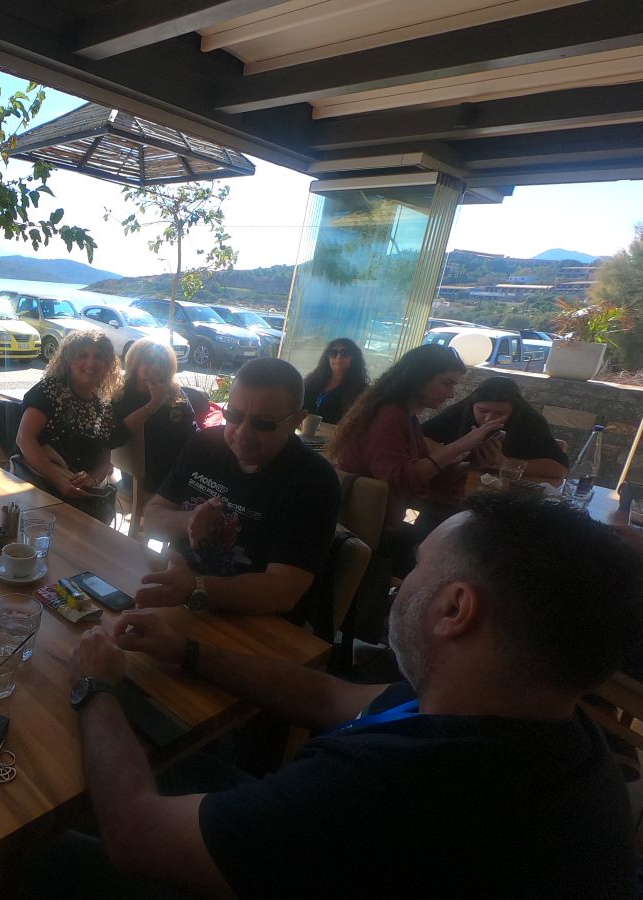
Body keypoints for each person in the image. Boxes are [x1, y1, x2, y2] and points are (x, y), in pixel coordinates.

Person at [45, 493, 643, 898]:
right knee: (179, 757)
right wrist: (188, 652)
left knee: (32, 851)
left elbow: (134, 833)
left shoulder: (387, 790)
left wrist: (96, 685)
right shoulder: (550, 730)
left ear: (456, 608)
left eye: (418, 568)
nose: (403, 582)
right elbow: (332, 697)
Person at [138, 358, 340, 615]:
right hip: (180, 599)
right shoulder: (204, 445)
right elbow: (153, 518)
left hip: (256, 622)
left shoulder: (313, 481)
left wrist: (196, 587)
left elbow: (283, 592)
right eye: (233, 415)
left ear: (296, 421)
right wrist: (189, 520)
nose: (242, 433)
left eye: (263, 423)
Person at [331, 345, 506, 568]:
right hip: (380, 526)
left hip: (393, 515)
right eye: (447, 383)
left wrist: (470, 465)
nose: (451, 394)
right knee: (474, 535)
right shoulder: (388, 415)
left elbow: (423, 475)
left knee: (472, 524)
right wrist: (460, 445)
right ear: (419, 377)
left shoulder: (406, 416)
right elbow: (401, 479)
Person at [15, 330, 126, 523]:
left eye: (98, 357)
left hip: (78, 494)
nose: (91, 363)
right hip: (36, 485)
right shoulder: (51, 390)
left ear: (107, 364)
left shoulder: (104, 408)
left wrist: (93, 479)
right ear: (68, 360)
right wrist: (58, 482)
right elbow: (24, 439)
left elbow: (104, 456)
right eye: (82, 355)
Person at [422, 375, 569, 480]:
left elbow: (560, 470)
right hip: (455, 484)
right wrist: (449, 452)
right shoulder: (459, 412)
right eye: (483, 411)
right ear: (473, 406)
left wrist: (505, 463)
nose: (489, 419)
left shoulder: (530, 422)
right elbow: (418, 436)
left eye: (500, 413)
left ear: (513, 411)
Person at [111, 339, 197, 493]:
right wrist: (155, 403)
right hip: (146, 480)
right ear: (135, 362)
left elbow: (191, 428)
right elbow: (115, 437)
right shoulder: (121, 394)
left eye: (162, 363)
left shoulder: (173, 391)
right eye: (149, 361)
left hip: (178, 470)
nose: (156, 368)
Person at [301, 337, 368, 424]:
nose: (339, 356)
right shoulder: (312, 381)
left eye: (345, 353)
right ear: (328, 358)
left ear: (354, 358)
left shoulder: (361, 390)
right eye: (333, 353)